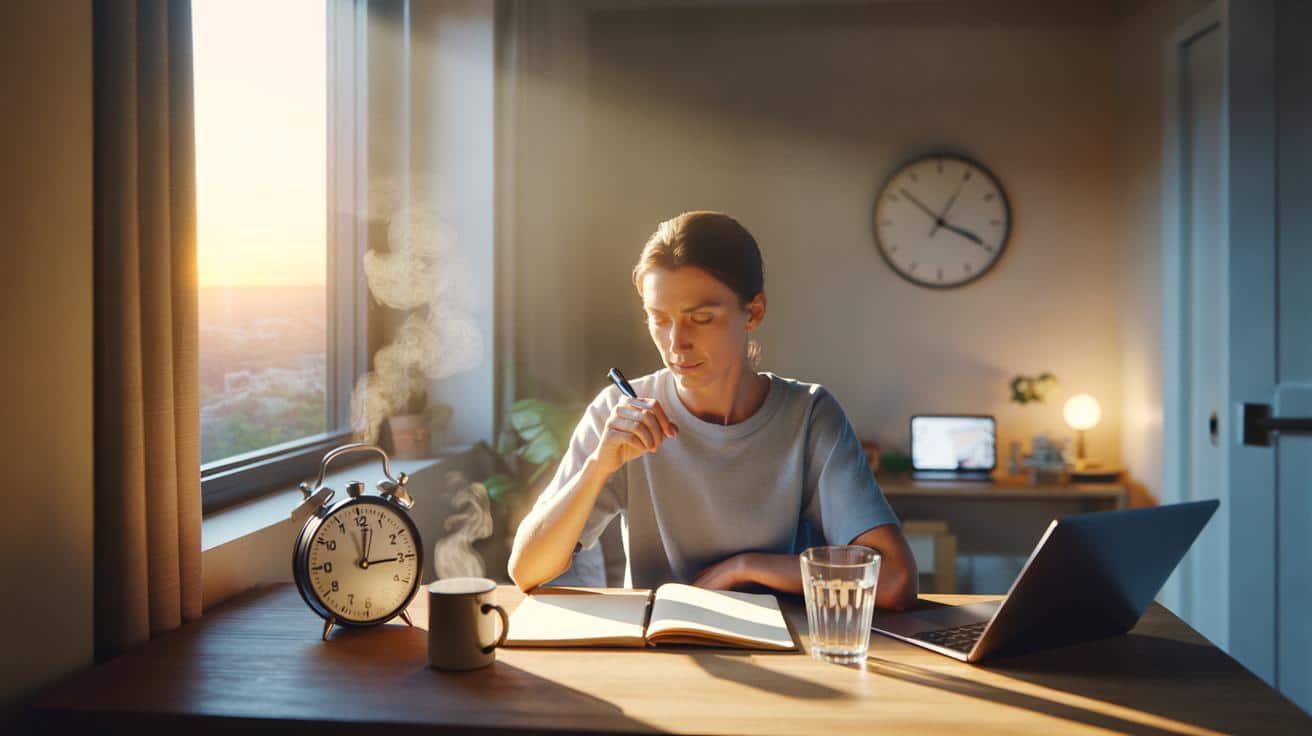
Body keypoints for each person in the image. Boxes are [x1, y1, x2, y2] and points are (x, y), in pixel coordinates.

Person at [508, 211, 917, 609]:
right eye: (658, 319)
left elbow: (896, 579)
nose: (675, 343)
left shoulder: (809, 416)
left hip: (788, 652)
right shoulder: (621, 413)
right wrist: (599, 465)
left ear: (753, 312)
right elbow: (527, 571)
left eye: (700, 318)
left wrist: (747, 567)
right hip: (664, 658)